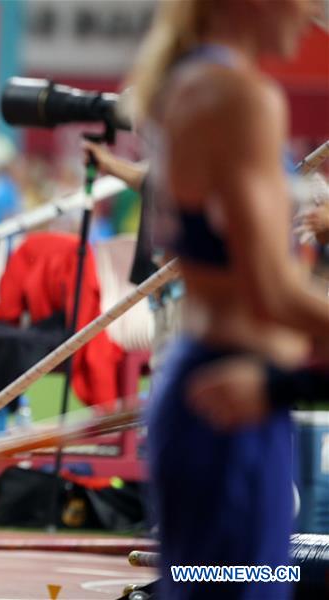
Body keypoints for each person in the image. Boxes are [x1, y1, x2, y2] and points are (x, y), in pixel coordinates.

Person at [126, 1, 329, 598]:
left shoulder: (193, 84)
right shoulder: (237, 95)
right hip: (231, 400)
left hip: (228, 390)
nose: (313, 12)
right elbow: (272, 289)